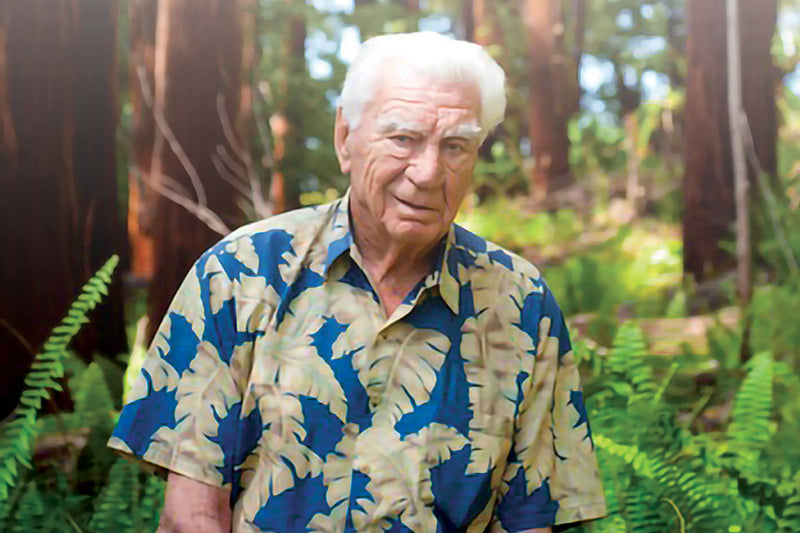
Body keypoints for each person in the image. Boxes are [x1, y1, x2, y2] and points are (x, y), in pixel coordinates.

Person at [109, 31, 607, 533]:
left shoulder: (522, 304)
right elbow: (191, 514)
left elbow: (532, 519)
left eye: (455, 145)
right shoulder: (241, 273)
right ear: (346, 139)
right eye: (403, 138)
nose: (430, 172)